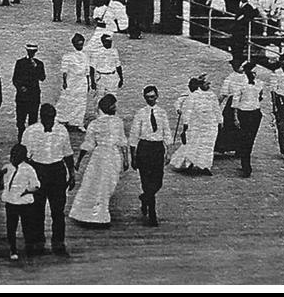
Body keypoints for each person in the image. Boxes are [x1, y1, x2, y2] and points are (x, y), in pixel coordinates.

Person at [23, 103, 75, 256]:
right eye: (46, 118)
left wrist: (71, 174)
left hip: (57, 171)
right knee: (37, 209)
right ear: (41, 117)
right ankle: (38, 242)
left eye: (51, 118)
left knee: (58, 211)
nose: (49, 121)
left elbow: (68, 154)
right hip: (38, 171)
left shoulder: (61, 130)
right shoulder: (30, 131)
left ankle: (59, 242)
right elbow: (24, 157)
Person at [69, 94, 129, 226]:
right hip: (110, 155)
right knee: (104, 185)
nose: (115, 107)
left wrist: (79, 161)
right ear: (108, 107)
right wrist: (125, 159)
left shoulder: (102, 123)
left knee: (96, 184)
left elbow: (88, 145)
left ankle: (92, 213)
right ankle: (98, 215)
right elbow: (122, 142)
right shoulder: (110, 122)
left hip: (100, 156)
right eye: (113, 105)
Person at [129, 85, 173, 225]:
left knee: (158, 181)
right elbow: (134, 136)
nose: (150, 100)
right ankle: (152, 214)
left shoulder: (162, 113)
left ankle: (145, 198)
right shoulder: (140, 113)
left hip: (157, 148)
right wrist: (133, 157)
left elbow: (167, 132)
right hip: (144, 148)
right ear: (144, 98)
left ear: (157, 96)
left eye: (153, 97)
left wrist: (168, 152)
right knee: (146, 181)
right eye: (148, 97)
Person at [0, 144, 43, 260]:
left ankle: (29, 248)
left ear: (23, 157)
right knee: (11, 227)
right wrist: (1, 175)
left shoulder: (28, 169)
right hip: (11, 202)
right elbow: (1, 186)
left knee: (27, 227)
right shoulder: (7, 168)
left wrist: (26, 191)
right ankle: (13, 249)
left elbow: (36, 185)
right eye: (13, 155)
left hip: (25, 203)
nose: (14, 158)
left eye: (17, 156)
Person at [179, 74, 221, 175]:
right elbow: (188, 111)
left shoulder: (212, 95)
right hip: (196, 124)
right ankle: (190, 165)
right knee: (194, 144)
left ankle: (205, 166)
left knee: (208, 146)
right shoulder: (194, 96)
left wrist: (220, 121)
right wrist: (186, 123)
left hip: (210, 124)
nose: (208, 86)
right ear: (201, 84)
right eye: (206, 84)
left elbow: (216, 109)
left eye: (209, 84)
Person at [232, 61, 265, 178]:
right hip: (243, 113)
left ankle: (245, 161)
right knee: (245, 138)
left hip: (255, 113)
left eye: (256, 72)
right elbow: (235, 101)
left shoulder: (259, 83)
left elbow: (260, 96)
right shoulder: (240, 84)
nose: (254, 74)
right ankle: (246, 165)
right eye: (252, 72)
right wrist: (235, 117)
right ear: (246, 72)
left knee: (251, 139)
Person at [56, 33, 91, 132]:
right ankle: (64, 120)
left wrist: (88, 83)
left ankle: (78, 122)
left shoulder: (85, 56)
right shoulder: (68, 56)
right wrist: (64, 82)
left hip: (82, 81)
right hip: (71, 80)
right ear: (74, 44)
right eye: (78, 44)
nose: (80, 46)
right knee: (68, 100)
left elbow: (87, 71)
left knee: (81, 102)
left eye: (81, 44)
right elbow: (64, 70)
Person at [12, 42, 46, 142]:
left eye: (33, 52)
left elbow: (42, 78)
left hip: (34, 95)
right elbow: (15, 79)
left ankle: (31, 139)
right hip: (22, 96)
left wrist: (36, 67)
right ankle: (21, 139)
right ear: (27, 51)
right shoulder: (20, 62)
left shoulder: (39, 63)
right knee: (20, 119)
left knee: (33, 119)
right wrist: (20, 87)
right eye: (30, 51)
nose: (31, 53)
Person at [215, 59, 246, 155]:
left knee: (243, 125)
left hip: (244, 102)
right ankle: (226, 146)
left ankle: (240, 148)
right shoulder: (230, 78)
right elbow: (223, 94)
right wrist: (216, 106)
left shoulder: (247, 76)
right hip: (232, 103)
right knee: (230, 125)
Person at [89, 33, 123, 97]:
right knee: (100, 97)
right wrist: (92, 81)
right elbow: (92, 68)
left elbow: (118, 65)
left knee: (112, 96)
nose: (109, 43)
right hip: (101, 77)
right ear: (103, 42)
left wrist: (121, 78)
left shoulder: (114, 51)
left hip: (112, 77)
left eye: (110, 42)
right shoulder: (96, 53)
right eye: (107, 42)